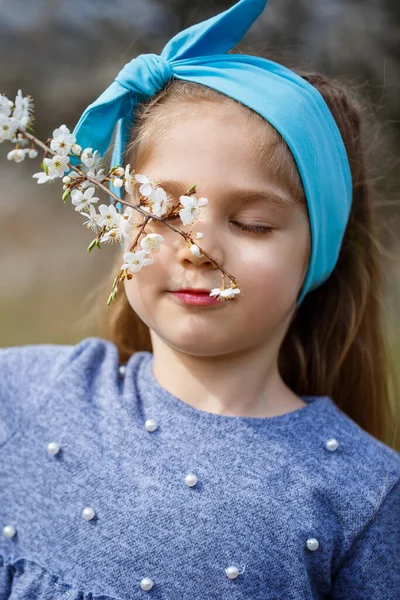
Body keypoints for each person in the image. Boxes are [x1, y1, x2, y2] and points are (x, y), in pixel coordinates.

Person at [1, 1, 399, 598]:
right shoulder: (23, 394)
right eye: (160, 213)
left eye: (253, 224)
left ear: (319, 252)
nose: (196, 249)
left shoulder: (363, 495)